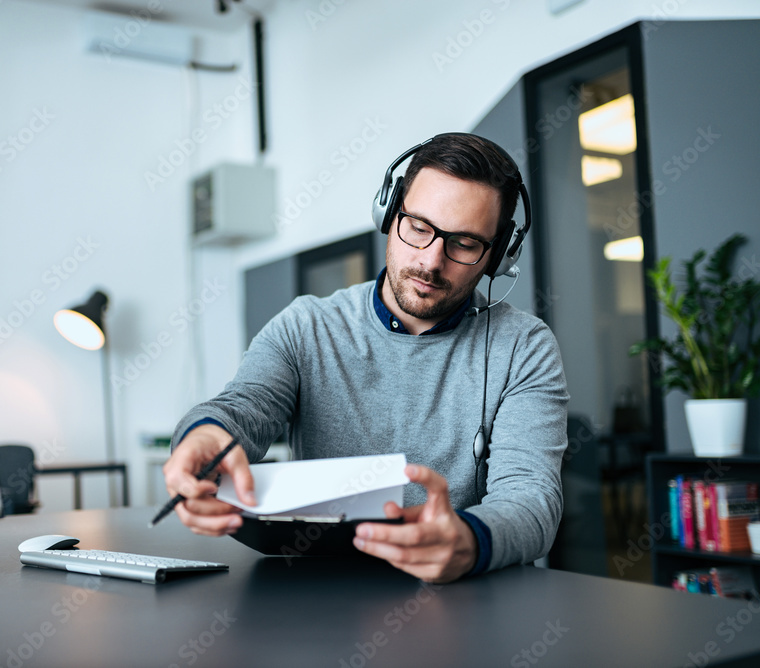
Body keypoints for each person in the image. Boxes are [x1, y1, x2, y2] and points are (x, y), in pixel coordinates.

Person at [163, 133, 568, 583]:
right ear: (389, 213)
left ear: (497, 256)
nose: (431, 261)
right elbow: (243, 407)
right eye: (418, 227)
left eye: (465, 243)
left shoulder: (524, 346)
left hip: (462, 598)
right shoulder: (306, 327)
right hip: (319, 601)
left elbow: (532, 499)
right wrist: (203, 436)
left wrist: (469, 539)